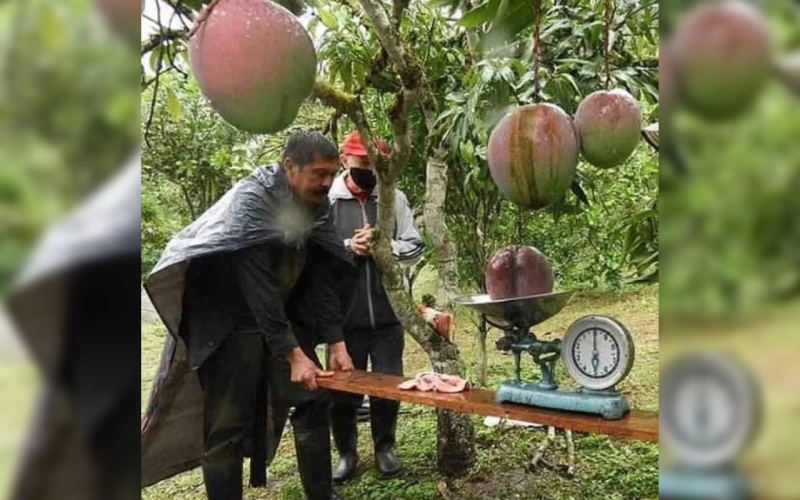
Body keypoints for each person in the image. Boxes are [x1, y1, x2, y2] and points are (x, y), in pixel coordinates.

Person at [142, 131, 354, 500]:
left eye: (331, 174)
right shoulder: (252, 201)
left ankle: (322, 495)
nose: (326, 182)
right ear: (290, 166)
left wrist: (336, 340)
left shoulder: (317, 204)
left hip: (282, 316)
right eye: (318, 173)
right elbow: (259, 287)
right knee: (227, 425)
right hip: (229, 322)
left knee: (311, 400)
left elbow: (320, 275)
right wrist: (293, 354)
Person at [328, 131, 424, 482]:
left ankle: (385, 447)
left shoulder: (393, 198)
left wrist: (385, 246)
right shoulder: (330, 200)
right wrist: (348, 246)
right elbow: (315, 252)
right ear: (345, 159)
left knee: (389, 381)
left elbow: (415, 246)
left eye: (375, 163)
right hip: (343, 315)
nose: (369, 169)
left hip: (387, 313)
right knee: (342, 390)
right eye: (362, 162)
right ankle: (346, 454)